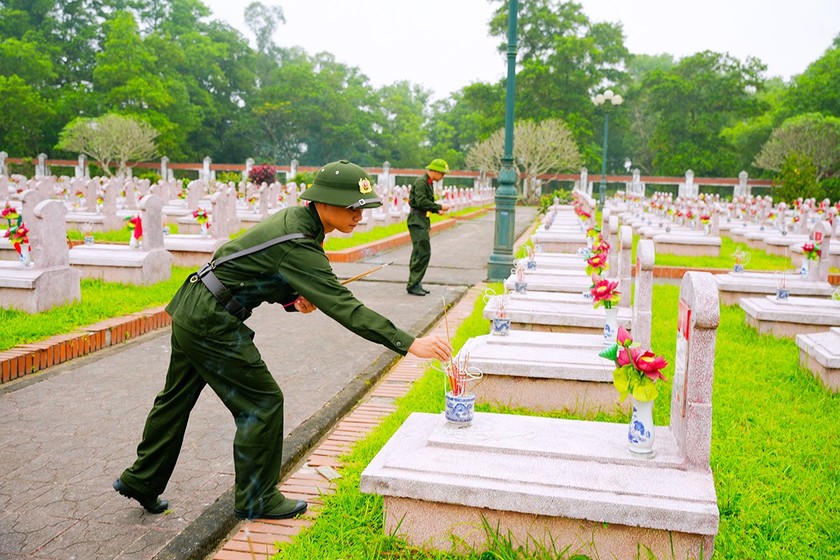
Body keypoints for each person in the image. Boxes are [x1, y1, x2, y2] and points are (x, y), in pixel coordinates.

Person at [114, 160, 452, 520]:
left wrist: (292, 299)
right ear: (323, 202)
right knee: (262, 402)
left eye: (362, 208)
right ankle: (256, 498)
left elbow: (255, 266)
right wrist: (409, 342)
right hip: (212, 321)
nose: (359, 215)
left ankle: (142, 480)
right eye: (352, 207)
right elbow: (345, 307)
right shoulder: (300, 242)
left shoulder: (297, 222)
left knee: (175, 400)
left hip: (194, 305)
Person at [406, 158, 449, 296]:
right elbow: (420, 201)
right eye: (442, 173)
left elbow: (425, 202)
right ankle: (413, 284)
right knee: (421, 252)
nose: (442, 177)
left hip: (422, 220)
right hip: (417, 220)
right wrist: (439, 206)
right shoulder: (421, 182)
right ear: (435, 171)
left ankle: (416, 282)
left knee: (421, 252)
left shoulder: (428, 183)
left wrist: (437, 210)